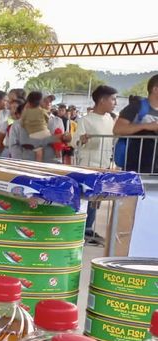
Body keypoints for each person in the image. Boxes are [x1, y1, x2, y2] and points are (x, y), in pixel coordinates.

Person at [74, 85, 118, 245]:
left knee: (97, 199)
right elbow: (75, 142)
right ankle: (82, 229)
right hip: (88, 165)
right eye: (113, 99)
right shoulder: (85, 120)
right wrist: (82, 140)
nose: (115, 103)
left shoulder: (110, 119)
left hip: (104, 163)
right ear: (102, 100)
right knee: (88, 197)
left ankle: (89, 228)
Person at [113, 74, 158, 173]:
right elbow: (118, 129)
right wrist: (147, 126)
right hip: (136, 163)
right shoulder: (137, 106)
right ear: (155, 89)